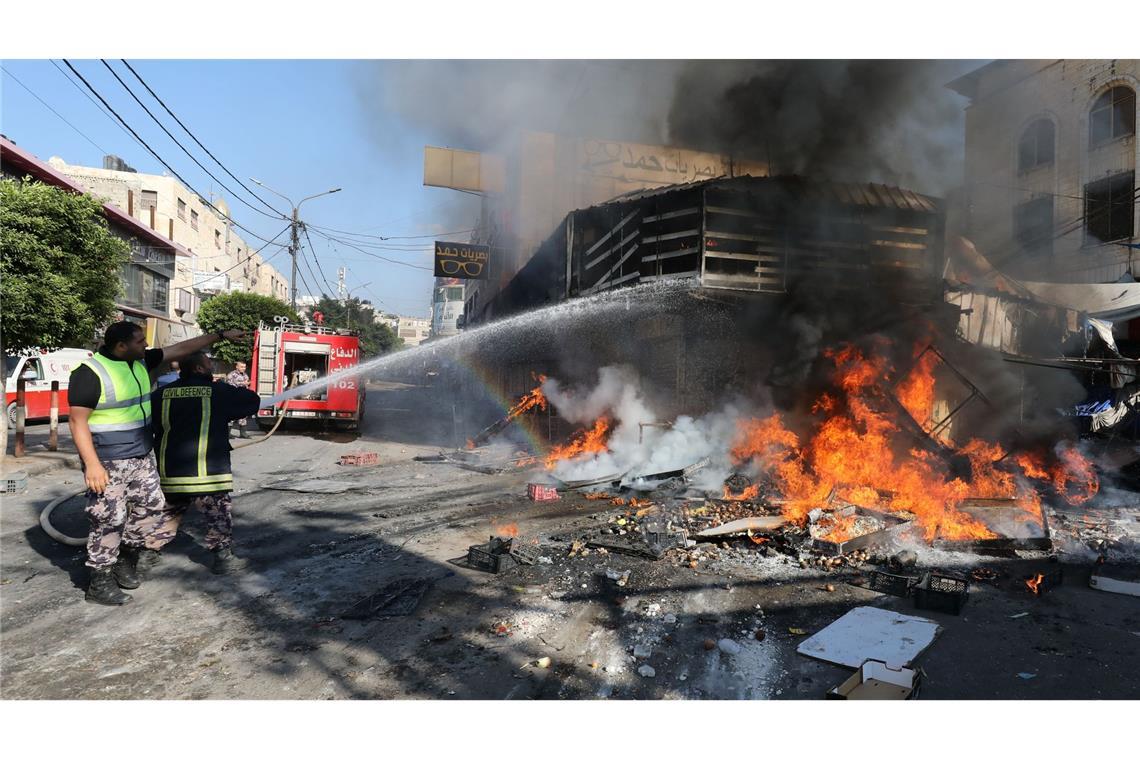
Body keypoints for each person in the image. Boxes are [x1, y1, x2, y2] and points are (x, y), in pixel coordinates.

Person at [67, 321, 246, 605]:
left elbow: (183, 348)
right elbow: (77, 422)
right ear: (121, 346)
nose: (146, 346)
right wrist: (92, 464)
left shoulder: (139, 362)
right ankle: (100, 579)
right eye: (140, 341)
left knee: (152, 508)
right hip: (108, 459)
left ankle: (126, 556)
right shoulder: (90, 373)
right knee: (108, 518)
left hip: (141, 455)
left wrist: (221, 334)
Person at [148, 350, 261, 574]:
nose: (212, 368)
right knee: (218, 514)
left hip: (171, 470)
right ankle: (223, 560)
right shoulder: (218, 391)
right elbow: (251, 402)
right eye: (209, 364)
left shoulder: (161, 394)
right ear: (199, 369)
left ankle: (147, 554)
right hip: (209, 472)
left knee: (167, 512)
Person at [225, 360, 252, 438]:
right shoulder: (231, 375)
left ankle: (243, 433)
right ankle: (227, 433)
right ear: (237, 367)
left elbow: (246, 387)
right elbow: (229, 385)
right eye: (242, 367)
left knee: (243, 416)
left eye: (244, 367)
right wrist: (242, 383)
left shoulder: (245, 375)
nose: (244, 368)